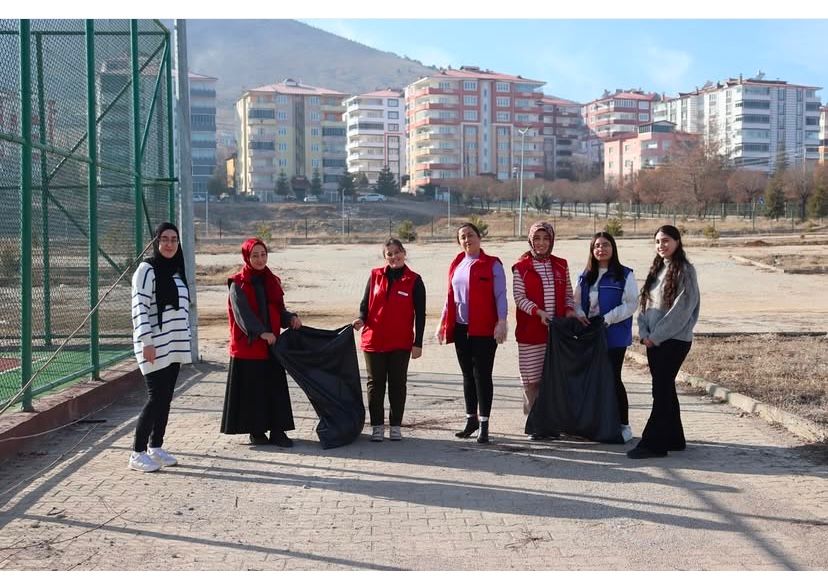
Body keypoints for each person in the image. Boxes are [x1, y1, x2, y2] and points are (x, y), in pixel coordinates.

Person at [220, 237, 302, 447]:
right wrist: (261, 333)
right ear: (246, 257)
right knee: (253, 391)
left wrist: (290, 318)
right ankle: (256, 432)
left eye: (263, 254)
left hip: (271, 346)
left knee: (275, 389)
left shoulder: (272, 280)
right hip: (249, 347)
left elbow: (278, 308)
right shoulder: (237, 283)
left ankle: (278, 431)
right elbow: (242, 315)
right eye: (254, 255)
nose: (259, 259)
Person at [627, 225, 700, 459]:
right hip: (653, 341)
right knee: (665, 388)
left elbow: (682, 310)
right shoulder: (657, 269)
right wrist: (645, 331)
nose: (661, 245)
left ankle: (654, 444)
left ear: (677, 242)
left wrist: (656, 336)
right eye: (658, 241)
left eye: (666, 240)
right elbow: (644, 304)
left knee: (660, 390)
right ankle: (674, 438)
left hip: (674, 340)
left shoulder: (685, 271)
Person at [129, 222, 192, 473]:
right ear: (156, 241)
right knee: (156, 398)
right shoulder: (146, 270)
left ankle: (156, 447)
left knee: (166, 398)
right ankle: (137, 452)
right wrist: (147, 342)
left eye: (174, 239)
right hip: (154, 345)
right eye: (164, 239)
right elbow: (140, 308)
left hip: (173, 345)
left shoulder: (177, 270)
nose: (169, 244)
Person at [436, 223, 508, 444]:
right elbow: (450, 296)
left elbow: (501, 296)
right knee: (467, 375)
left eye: (471, 235)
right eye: (463, 237)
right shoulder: (457, 263)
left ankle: (484, 424)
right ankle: (471, 420)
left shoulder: (492, 264)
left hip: (484, 329)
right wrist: (441, 323)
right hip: (460, 328)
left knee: (482, 376)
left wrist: (502, 322)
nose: (467, 240)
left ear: (479, 237)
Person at [352, 238, 426, 442]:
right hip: (373, 340)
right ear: (385, 257)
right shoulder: (375, 275)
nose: (394, 257)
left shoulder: (415, 280)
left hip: (400, 343)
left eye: (397, 252)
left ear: (404, 252)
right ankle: (377, 426)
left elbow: (420, 314)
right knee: (375, 385)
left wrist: (417, 343)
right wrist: (360, 319)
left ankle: (395, 426)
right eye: (389, 254)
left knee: (397, 384)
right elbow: (364, 305)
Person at [512, 221, 577, 438]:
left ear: (551, 240)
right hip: (531, 332)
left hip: (557, 333)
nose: (541, 243)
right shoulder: (521, 267)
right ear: (530, 240)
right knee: (532, 380)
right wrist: (538, 312)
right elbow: (519, 298)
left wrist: (568, 311)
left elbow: (568, 293)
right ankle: (535, 423)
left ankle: (553, 423)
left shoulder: (561, 265)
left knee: (553, 378)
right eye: (537, 238)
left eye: (545, 238)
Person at [574, 231, 639, 443]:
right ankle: (596, 424)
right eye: (597, 246)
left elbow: (631, 304)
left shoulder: (624, 274)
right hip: (589, 334)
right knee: (591, 380)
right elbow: (574, 302)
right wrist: (581, 315)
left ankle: (623, 425)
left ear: (613, 248)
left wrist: (608, 319)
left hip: (613, 335)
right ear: (592, 251)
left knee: (612, 378)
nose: (601, 249)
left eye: (606, 245)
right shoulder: (585, 276)